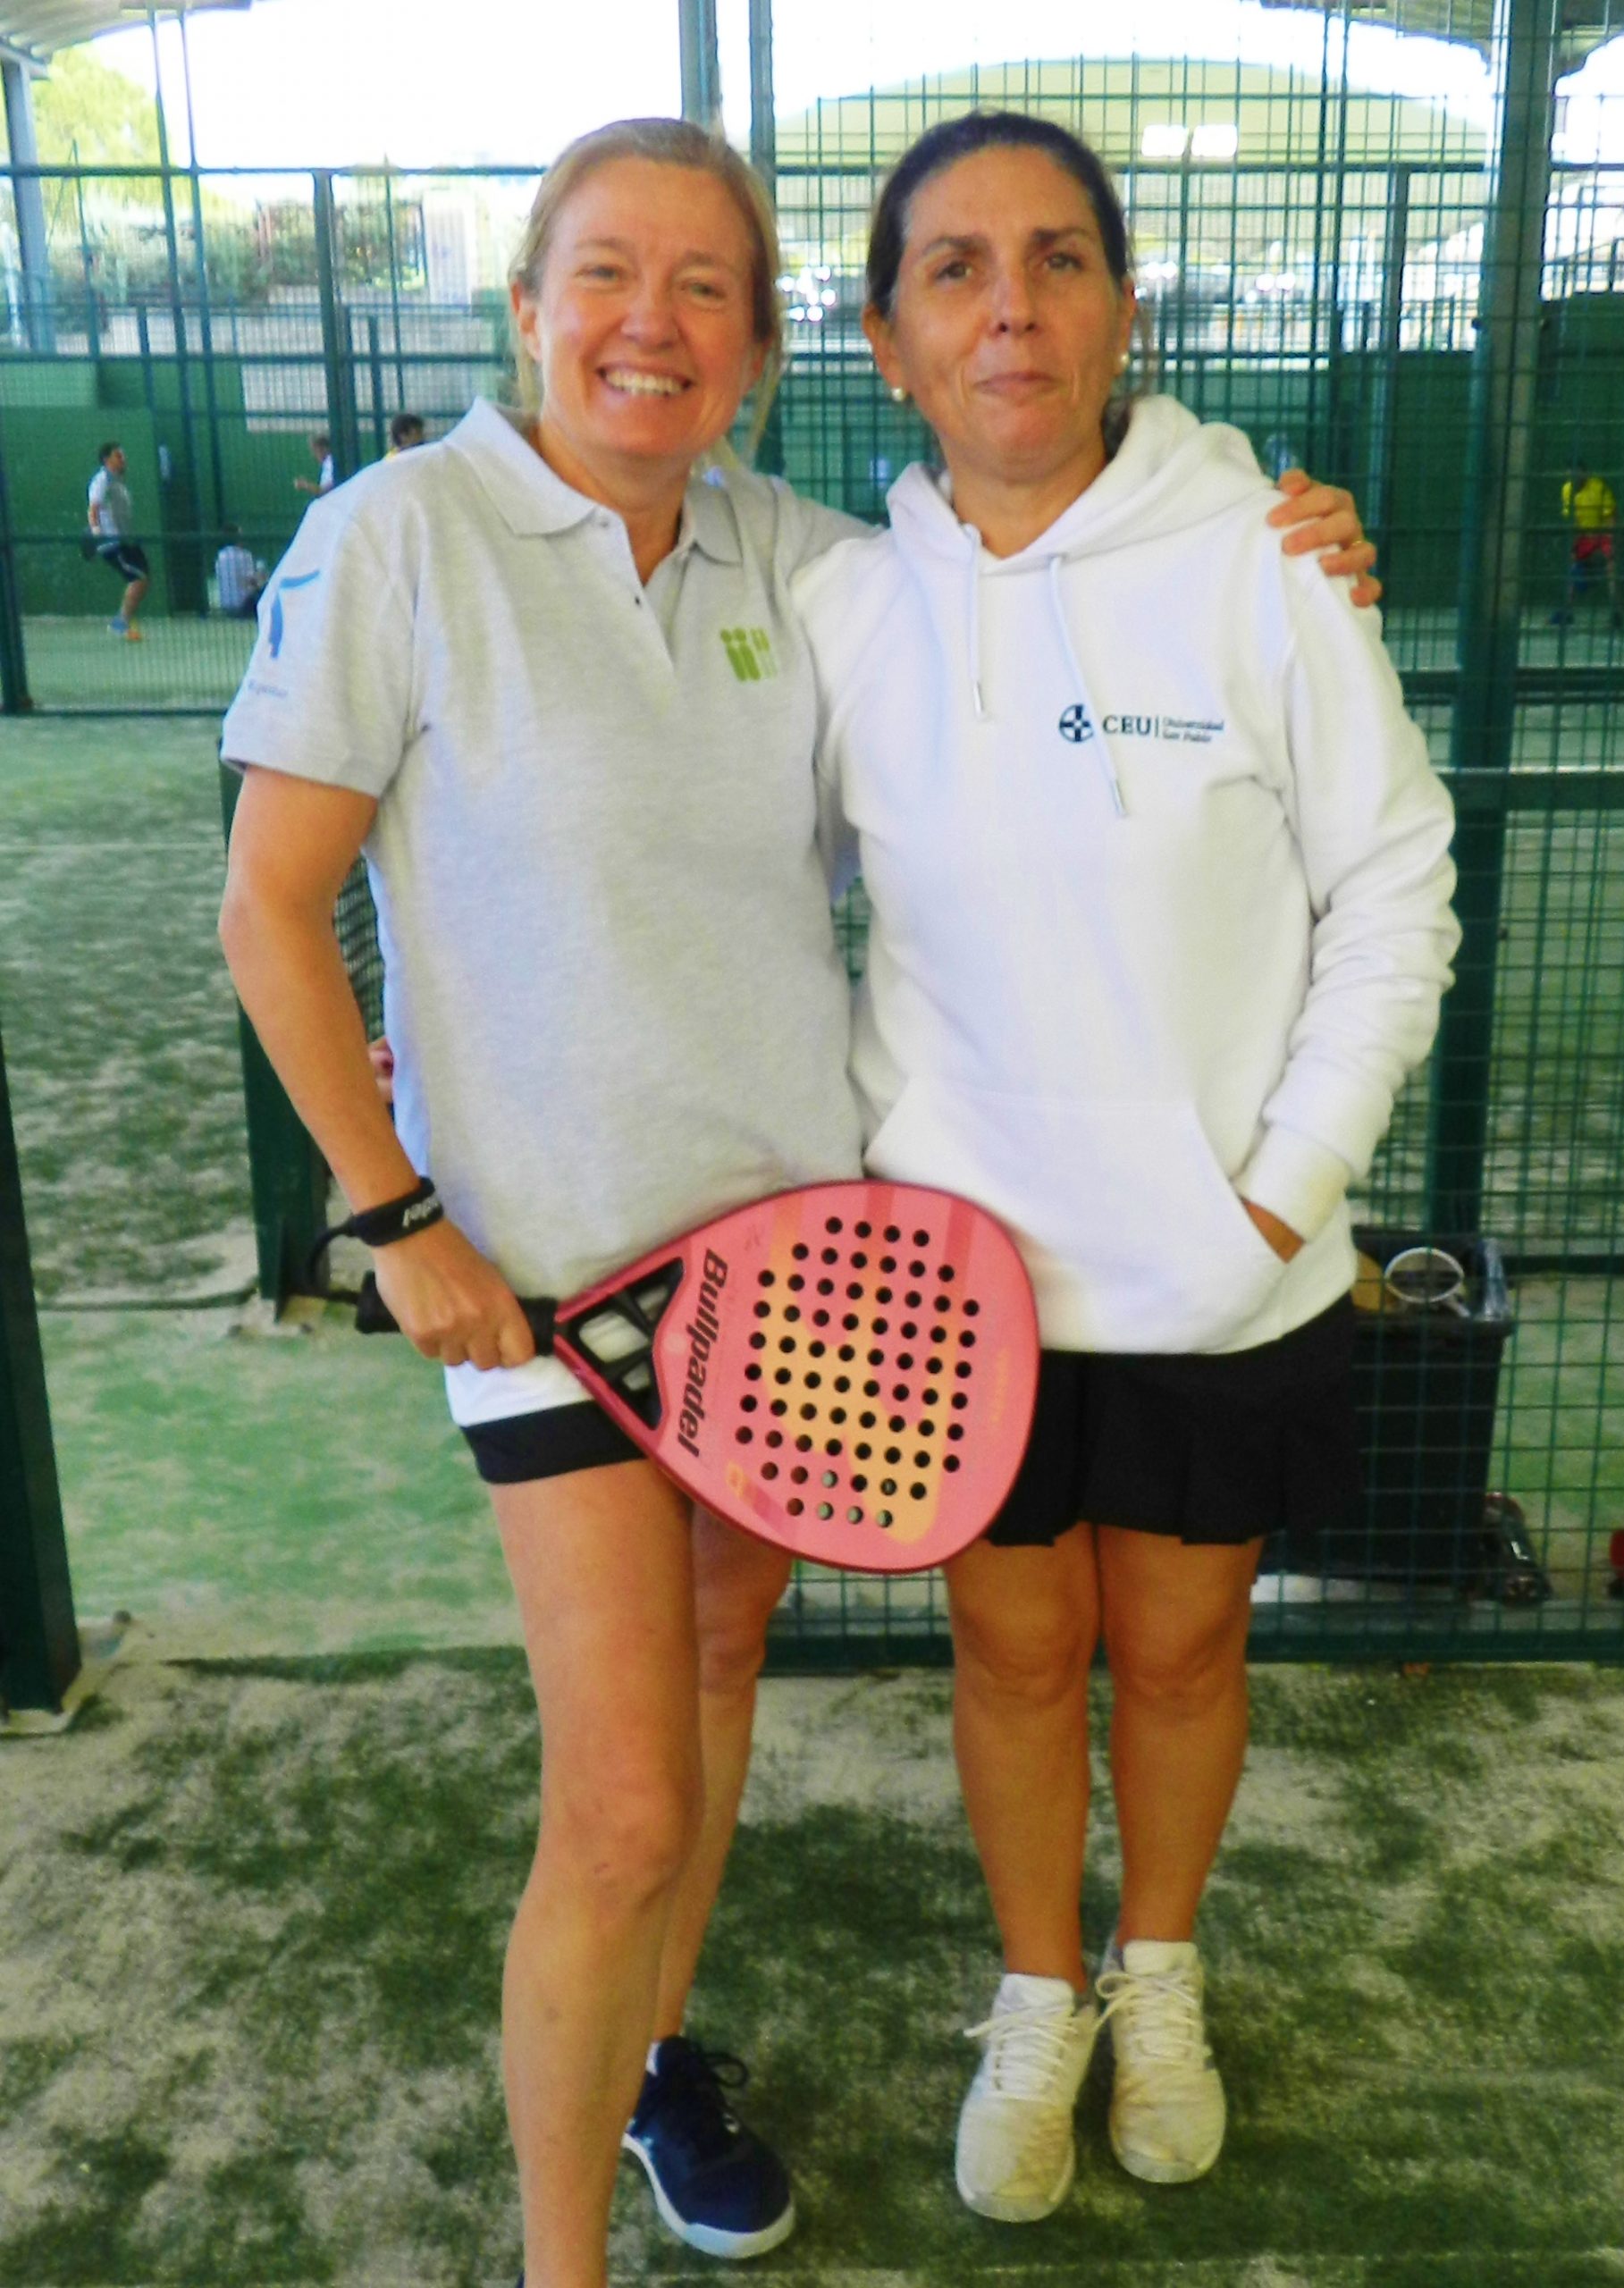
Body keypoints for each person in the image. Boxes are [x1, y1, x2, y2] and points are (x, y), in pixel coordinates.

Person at [218, 118, 1378, 2288]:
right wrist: (395, 1216)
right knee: (626, 1802)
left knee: (725, 1660)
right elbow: (268, 908)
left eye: (703, 289)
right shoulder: (397, 538)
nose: (648, 326)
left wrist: (1273, 523)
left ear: (764, 346)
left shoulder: (809, 561)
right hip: (552, 1295)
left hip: (792, 1269)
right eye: (604, 274)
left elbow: (1043, 540)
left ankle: (662, 2060)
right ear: (527, 305)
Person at [794, 110, 1458, 2226]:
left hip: (1220, 1274)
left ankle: (1155, 1976)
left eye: (1058, 259)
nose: (1011, 308)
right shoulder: (836, 604)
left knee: (1177, 1654)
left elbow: (1396, 886)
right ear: (888, 338)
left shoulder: (1268, 557)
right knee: (1010, 1659)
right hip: (957, 1287)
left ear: (1123, 310)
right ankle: (1037, 1990)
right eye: (956, 268)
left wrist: (1279, 1191)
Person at [87, 441, 148, 640]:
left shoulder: (117, 481)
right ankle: (120, 623)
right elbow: (93, 508)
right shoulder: (101, 480)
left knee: (143, 579)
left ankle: (125, 621)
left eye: (123, 455)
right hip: (112, 543)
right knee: (137, 579)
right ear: (107, 460)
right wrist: (96, 531)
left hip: (126, 540)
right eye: (118, 456)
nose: (123, 459)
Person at [1552, 459, 1621, 629]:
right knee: (1573, 568)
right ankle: (1567, 612)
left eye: (1577, 473)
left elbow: (1611, 516)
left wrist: (1611, 542)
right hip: (1584, 535)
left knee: (1611, 568)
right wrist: (1574, 546)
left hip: (1603, 533)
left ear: (1585, 473)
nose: (1573, 478)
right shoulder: (1566, 490)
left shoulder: (1598, 487)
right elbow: (1573, 520)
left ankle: (1617, 613)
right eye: (1570, 475)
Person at [214, 525, 267, 618]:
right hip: (243, 606)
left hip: (225, 606)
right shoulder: (244, 555)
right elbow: (252, 582)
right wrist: (261, 571)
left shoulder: (220, 556)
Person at [294, 430, 335, 497]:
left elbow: (323, 491)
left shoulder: (330, 463)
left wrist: (304, 485)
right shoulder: (328, 463)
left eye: (315, 451)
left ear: (324, 449)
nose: (313, 455)